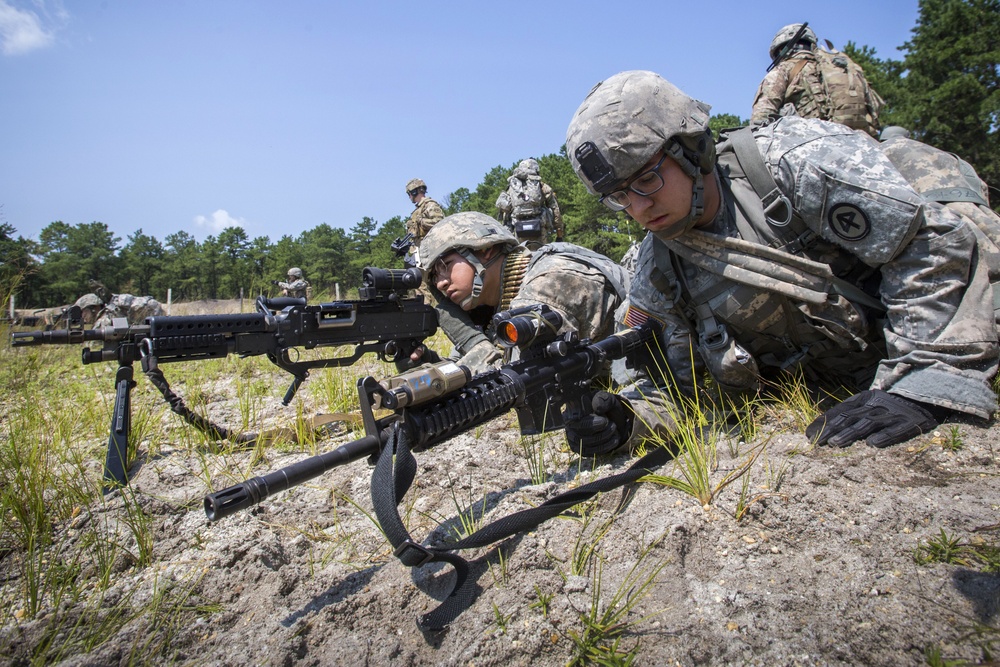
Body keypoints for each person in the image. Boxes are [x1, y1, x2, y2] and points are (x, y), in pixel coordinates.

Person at [563, 69, 998, 456]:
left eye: (645, 179)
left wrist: (921, 384)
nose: (637, 208)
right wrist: (627, 422)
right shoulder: (658, 270)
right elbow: (682, 391)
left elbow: (931, 243)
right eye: (619, 196)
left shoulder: (794, 164)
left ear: (692, 150)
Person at [411, 211, 628, 375]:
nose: (440, 283)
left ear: (485, 249)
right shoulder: (492, 307)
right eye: (434, 277)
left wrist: (470, 339)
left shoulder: (547, 283)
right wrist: (427, 364)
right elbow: (469, 368)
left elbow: (519, 379)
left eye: (445, 266)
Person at [750, 23, 884, 138]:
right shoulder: (846, 68)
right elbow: (875, 110)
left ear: (781, 49)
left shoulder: (783, 69)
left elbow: (761, 119)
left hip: (813, 145)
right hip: (861, 141)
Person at [495, 158, 565, 249]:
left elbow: (505, 210)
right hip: (540, 229)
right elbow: (555, 210)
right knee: (542, 256)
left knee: (522, 256)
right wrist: (559, 234)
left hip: (518, 229)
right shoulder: (541, 186)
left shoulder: (513, 187)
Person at [405, 178, 445, 256]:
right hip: (420, 251)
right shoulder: (418, 209)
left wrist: (421, 221)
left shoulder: (430, 205)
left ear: (414, 192)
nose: (409, 197)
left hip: (430, 251)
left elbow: (440, 223)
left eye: (409, 194)